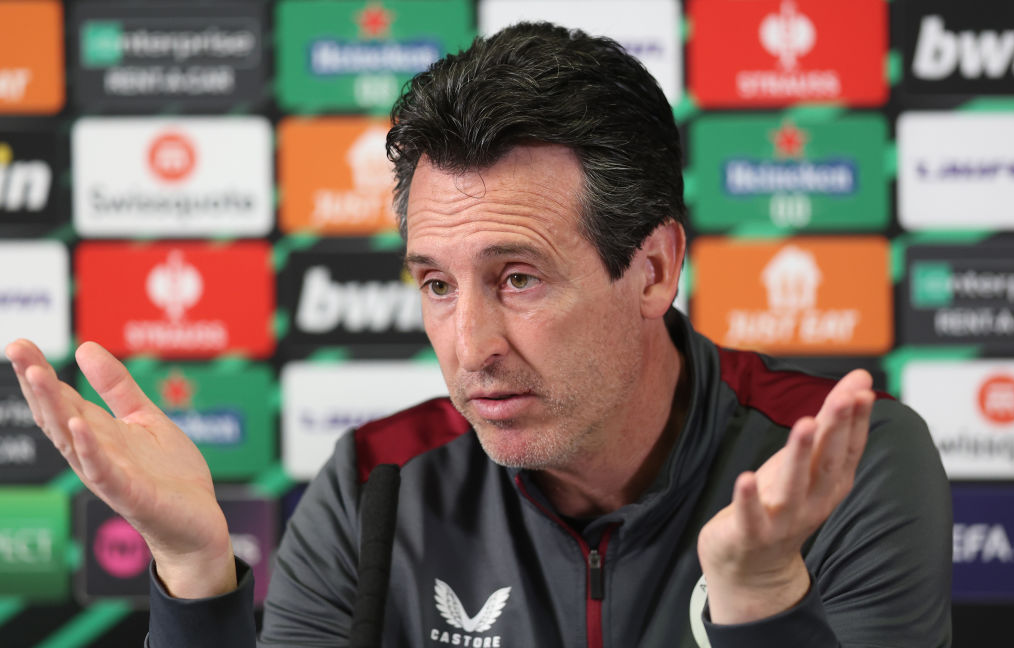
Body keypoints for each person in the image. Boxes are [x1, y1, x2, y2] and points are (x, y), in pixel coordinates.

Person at [4, 22, 950, 648]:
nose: (470, 345)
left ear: (654, 268)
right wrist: (197, 575)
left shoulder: (840, 460)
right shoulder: (379, 483)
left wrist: (759, 598)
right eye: (436, 285)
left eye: (519, 279)